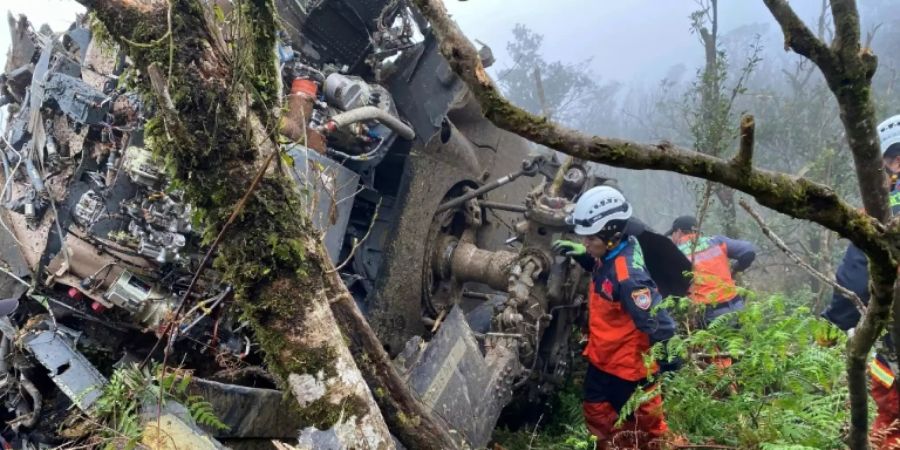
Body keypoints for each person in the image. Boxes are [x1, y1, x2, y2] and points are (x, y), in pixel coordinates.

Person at [552, 186, 678, 449]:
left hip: (627, 367)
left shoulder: (629, 277)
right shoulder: (612, 249)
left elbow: (657, 321)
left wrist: (670, 361)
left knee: (642, 426)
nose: (586, 243)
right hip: (603, 355)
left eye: (590, 239)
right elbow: (604, 271)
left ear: (611, 234)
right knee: (595, 409)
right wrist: (585, 256)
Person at [822, 114, 900, 449]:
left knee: (890, 429)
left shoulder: (882, 209)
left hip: (897, 349)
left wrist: (838, 321)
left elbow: (855, 277)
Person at [667, 216, 756, 327]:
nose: (672, 239)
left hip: (710, 313)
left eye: (672, 235)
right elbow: (748, 251)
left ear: (679, 232)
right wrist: (735, 269)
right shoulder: (716, 241)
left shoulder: (674, 254)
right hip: (737, 305)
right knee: (742, 343)